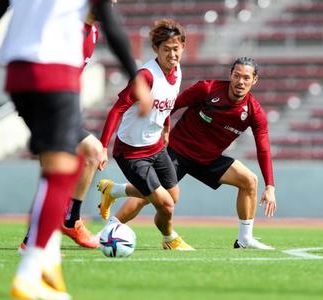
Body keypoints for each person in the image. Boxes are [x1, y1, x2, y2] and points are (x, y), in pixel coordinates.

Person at [0, 0, 151, 299]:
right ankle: (29, 272)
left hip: (18, 75)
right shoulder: (85, 26)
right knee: (62, 172)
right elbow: (113, 25)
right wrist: (135, 78)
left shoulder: (87, 30)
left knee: (62, 165)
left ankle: (49, 266)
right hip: (54, 73)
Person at [99, 57, 277, 250]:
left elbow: (263, 147)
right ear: (230, 75)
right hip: (178, 153)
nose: (240, 82)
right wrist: (163, 128)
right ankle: (108, 230)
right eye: (237, 76)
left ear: (254, 80)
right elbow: (172, 105)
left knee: (249, 180)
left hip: (209, 159)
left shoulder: (254, 112)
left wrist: (270, 187)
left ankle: (244, 240)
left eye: (246, 78)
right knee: (149, 196)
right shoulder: (207, 89)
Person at [18, 3, 113, 253]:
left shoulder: (93, 32)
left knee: (92, 152)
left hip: (61, 104)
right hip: (41, 98)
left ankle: (69, 221)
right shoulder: (67, 23)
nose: (111, 4)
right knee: (55, 167)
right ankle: (35, 239)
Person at [97, 19, 194, 251]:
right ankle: (170, 239)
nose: (172, 54)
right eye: (166, 49)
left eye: (176, 48)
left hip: (156, 146)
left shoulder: (177, 71)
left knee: (173, 195)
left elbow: (166, 104)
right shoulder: (147, 76)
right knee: (166, 205)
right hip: (131, 152)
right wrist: (102, 146)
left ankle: (115, 190)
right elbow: (117, 108)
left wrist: (167, 126)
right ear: (156, 50)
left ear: (183, 47)